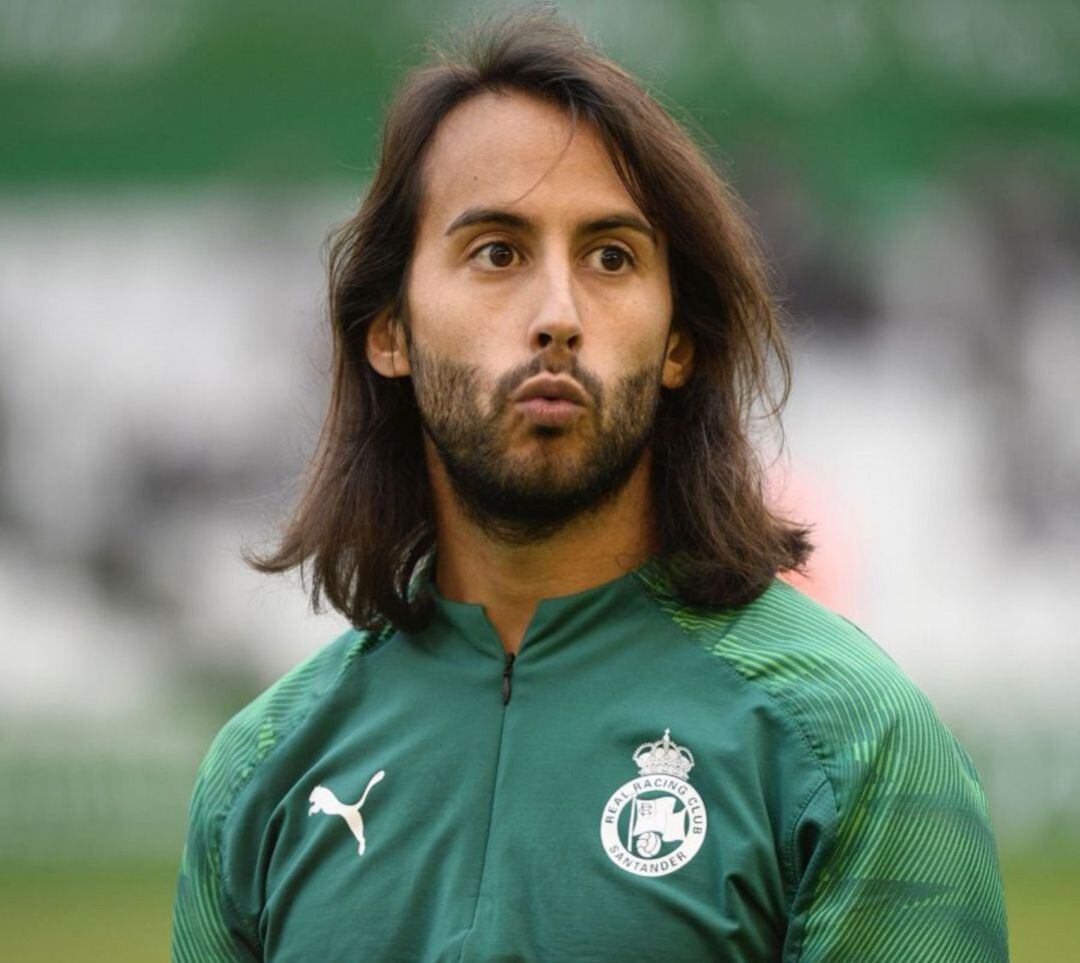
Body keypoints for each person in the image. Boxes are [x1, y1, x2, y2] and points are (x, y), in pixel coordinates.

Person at [171, 9, 1009, 962]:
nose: (558, 314)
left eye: (611, 257)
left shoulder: (852, 744)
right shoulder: (261, 777)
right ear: (390, 328)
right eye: (497, 251)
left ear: (679, 344)